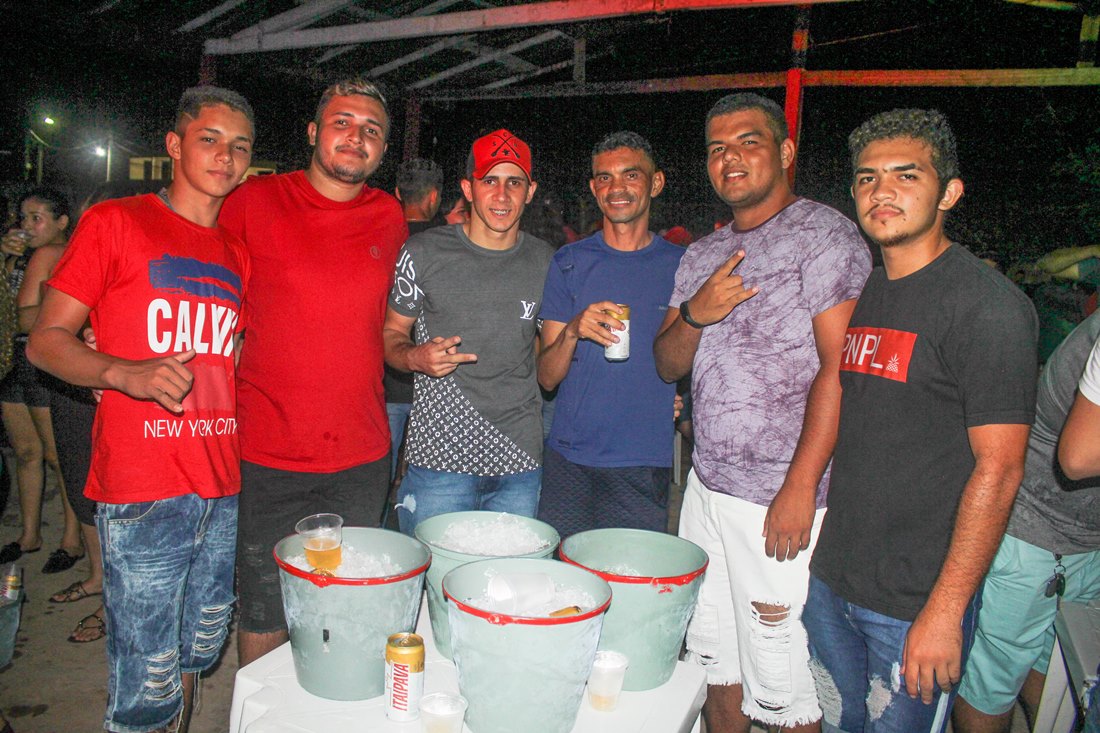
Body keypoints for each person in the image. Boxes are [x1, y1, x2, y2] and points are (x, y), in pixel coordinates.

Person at [27, 85, 255, 733]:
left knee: (199, 646)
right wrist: (120, 371)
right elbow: (46, 340)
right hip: (144, 483)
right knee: (147, 678)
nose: (226, 156)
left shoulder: (235, 250)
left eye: (240, 146)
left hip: (220, 479)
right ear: (175, 145)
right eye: (209, 139)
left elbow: (228, 356)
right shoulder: (116, 222)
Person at [802, 109, 1038, 733]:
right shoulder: (872, 290)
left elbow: (1000, 468)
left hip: (915, 603)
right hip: (835, 579)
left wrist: (946, 610)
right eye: (867, 178)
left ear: (949, 193)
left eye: (906, 175)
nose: (882, 191)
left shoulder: (988, 308)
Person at [653, 93, 871, 733]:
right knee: (713, 658)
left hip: (782, 500)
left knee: (782, 678)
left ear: (785, 151)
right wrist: (696, 313)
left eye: (748, 141)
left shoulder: (824, 236)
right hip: (707, 490)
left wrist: (800, 486)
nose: (731, 158)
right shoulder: (701, 254)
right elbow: (666, 363)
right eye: (717, 148)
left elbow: (841, 369)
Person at [219, 77, 408, 667]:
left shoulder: (389, 216)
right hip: (267, 450)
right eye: (342, 122)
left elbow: (396, 322)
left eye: (371, 129)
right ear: (312, 132)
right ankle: (260, 709)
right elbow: (201, 289)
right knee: (266, 609)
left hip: (361, 453)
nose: (356, 137)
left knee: (345, 608)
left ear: (383, 149)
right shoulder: (253, 202)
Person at [384, 129, 553, 535]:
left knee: (508, 574)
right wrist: (414, 357)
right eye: (489, 180)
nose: (502, 195)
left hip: (518, 462)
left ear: (530, 192)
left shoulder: (547, 262)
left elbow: (553, 357)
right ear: (468, 188)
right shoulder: (422, 252)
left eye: (514, 182)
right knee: (434, 571)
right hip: (439, 462)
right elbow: (391, 333)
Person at [952, 309, 1100, 733]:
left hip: (1087, 538)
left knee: (1059, 668)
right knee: (992, 684)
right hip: (1034, 533)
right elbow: (1080, 456)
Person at [537, 131, 683, 537]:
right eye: (604, 177)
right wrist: (572, 331)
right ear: (593, 188)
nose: (616, 188)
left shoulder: (682, 265)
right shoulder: (568, 261)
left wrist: (683, 401)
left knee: (629, 573)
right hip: (570, 460)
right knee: (563, 572)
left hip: (643, 460)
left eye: (630, 175)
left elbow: (697, 356)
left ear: (655, 183)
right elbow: (546, 377)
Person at [45, 181, 152, 643]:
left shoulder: (142, 254)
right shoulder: (75, 257)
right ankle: (99, 579)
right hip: (74, 381)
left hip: (129, 395)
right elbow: (46, 327)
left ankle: (117, 602)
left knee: (125, 502)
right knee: (78, 480)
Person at [0, 188, 83, 574]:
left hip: (41, 360)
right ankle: (30, 534)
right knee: (26, 451)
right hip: (14, 358)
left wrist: (21, 318)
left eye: (37, 218)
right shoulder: (21, 255)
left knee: (55, 455)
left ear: (61, 222)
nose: (27, 226)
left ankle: (71, 539)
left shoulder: (54, 253)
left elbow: (25, 316)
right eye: (23, 218)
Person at [386, 157, 444, 481]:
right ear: (434, 196)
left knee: (381, 474)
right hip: (433, 383)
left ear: (398, 192)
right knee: (427, 477)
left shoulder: (383, 236)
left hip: (386, 376)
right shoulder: (448, 243)